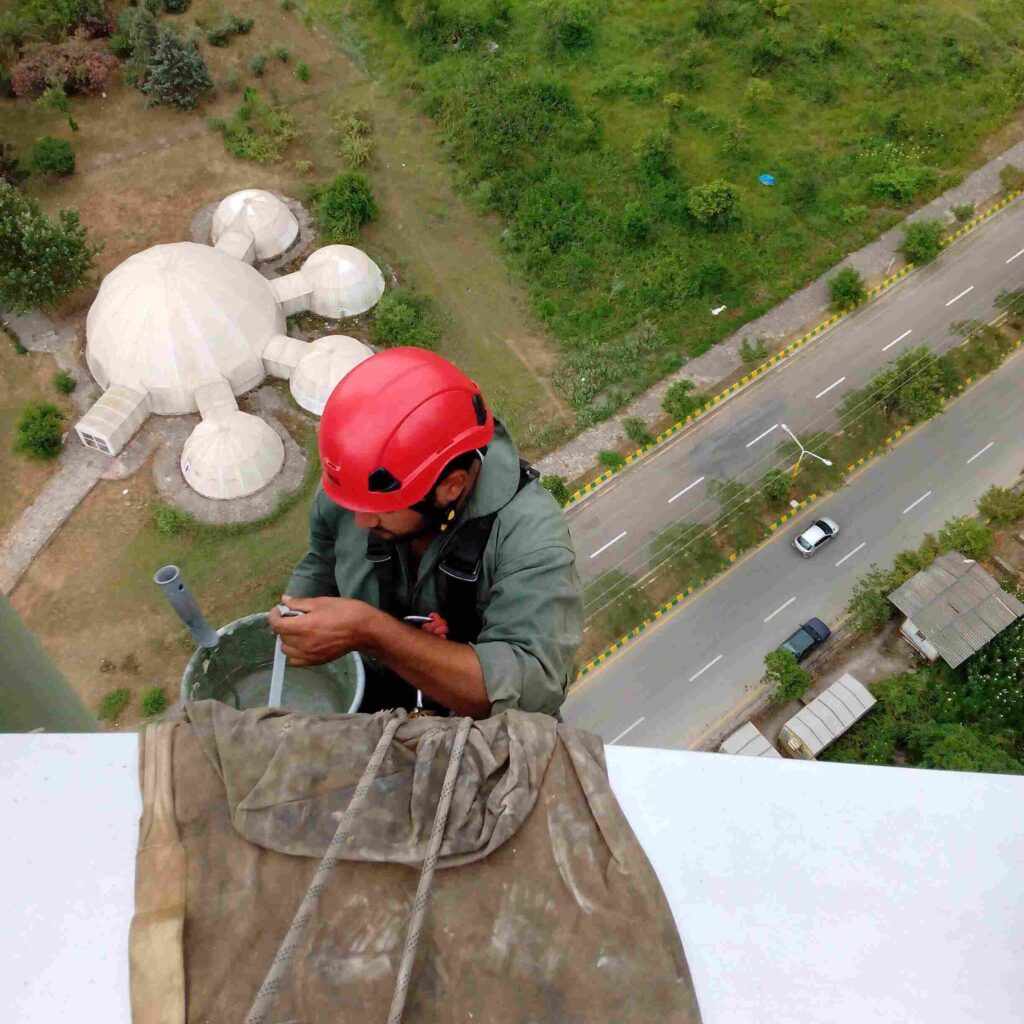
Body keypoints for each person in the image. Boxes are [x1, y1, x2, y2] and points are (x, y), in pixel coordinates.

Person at [269, 347, 583, 719]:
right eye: (354, 506)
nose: (361, 522)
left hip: (479, 735)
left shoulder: (529, 538)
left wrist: (373, 633)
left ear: (452, 486)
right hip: (374, 709)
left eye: (382, 510)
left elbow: (532, 689)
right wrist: (297, 616)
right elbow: (322, 559)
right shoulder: (358, 488)